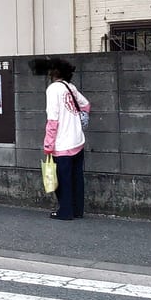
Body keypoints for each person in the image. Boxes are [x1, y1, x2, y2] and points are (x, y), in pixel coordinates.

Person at [34, 56, 90, 221]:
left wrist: (48, 145)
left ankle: (65, 211)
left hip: (62, 144)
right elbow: (86, 105)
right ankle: (77, 210)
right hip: (77, 141)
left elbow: (53, 119)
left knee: (62, 180)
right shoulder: (70, 87)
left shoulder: (53, 89)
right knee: (76, 177)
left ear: (54, 72)